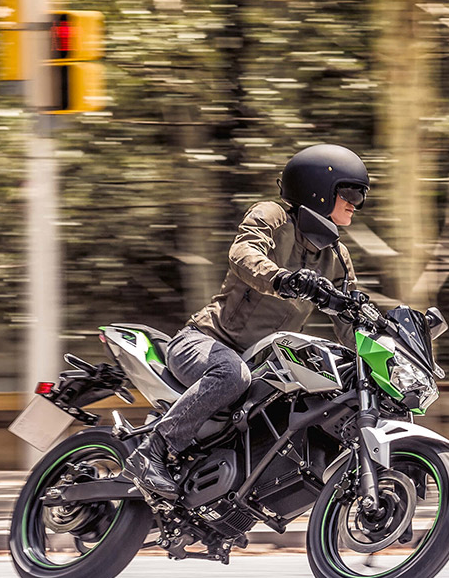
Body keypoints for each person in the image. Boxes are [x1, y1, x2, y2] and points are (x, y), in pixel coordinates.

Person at [124, 144, 370, 499]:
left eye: (359, 195)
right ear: (317, 189)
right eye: (349, 192)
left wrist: (379, 349)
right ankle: (152, 451)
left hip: (260, 362)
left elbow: (350, 318)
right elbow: (244, 253)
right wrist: (282, 278)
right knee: (231, 374)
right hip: (207, 342)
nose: (355, 202)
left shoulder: (336, 257)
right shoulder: (272, 216)